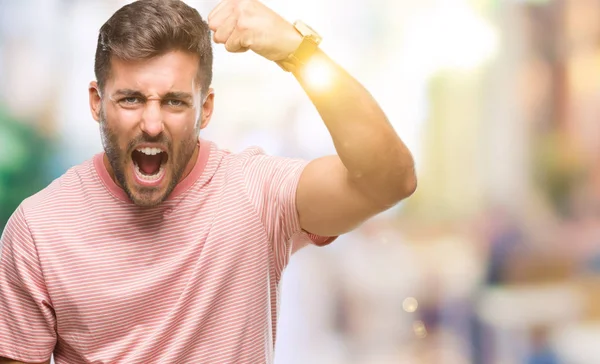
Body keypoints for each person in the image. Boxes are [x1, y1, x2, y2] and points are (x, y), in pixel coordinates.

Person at [0, 0, 416, 363]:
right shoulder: (38, 230)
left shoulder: (256, 195)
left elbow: (388, 181)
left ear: (206, 108)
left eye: (175, 101)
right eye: (130, 99)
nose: (151, 123)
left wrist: (299, 53)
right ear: (96, 102)